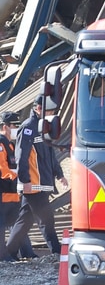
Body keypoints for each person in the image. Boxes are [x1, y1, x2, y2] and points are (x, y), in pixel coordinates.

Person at [5, 98, 65, 260]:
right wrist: (25, 181)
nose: (52, 115)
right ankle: (58, 252)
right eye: (50, 111)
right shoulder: (28, 127)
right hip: (34, 184)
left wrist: (59, 174)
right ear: (39, 108)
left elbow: (50, 154)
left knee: (25, 221)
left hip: (41, 184)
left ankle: (9, 252)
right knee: (46, 219)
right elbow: (22, 156)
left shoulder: (43, 127)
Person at [0, 112, 29, 261]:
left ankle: (25, 253)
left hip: (12, 191)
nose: (16, 128)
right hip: (3, 191)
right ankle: (3, 256)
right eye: (14, 126)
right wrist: (16, 177)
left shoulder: (11, 144)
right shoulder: (1, 143)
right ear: (5, 126)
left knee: (18, 222)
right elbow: (2, 168)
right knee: (1, 225)